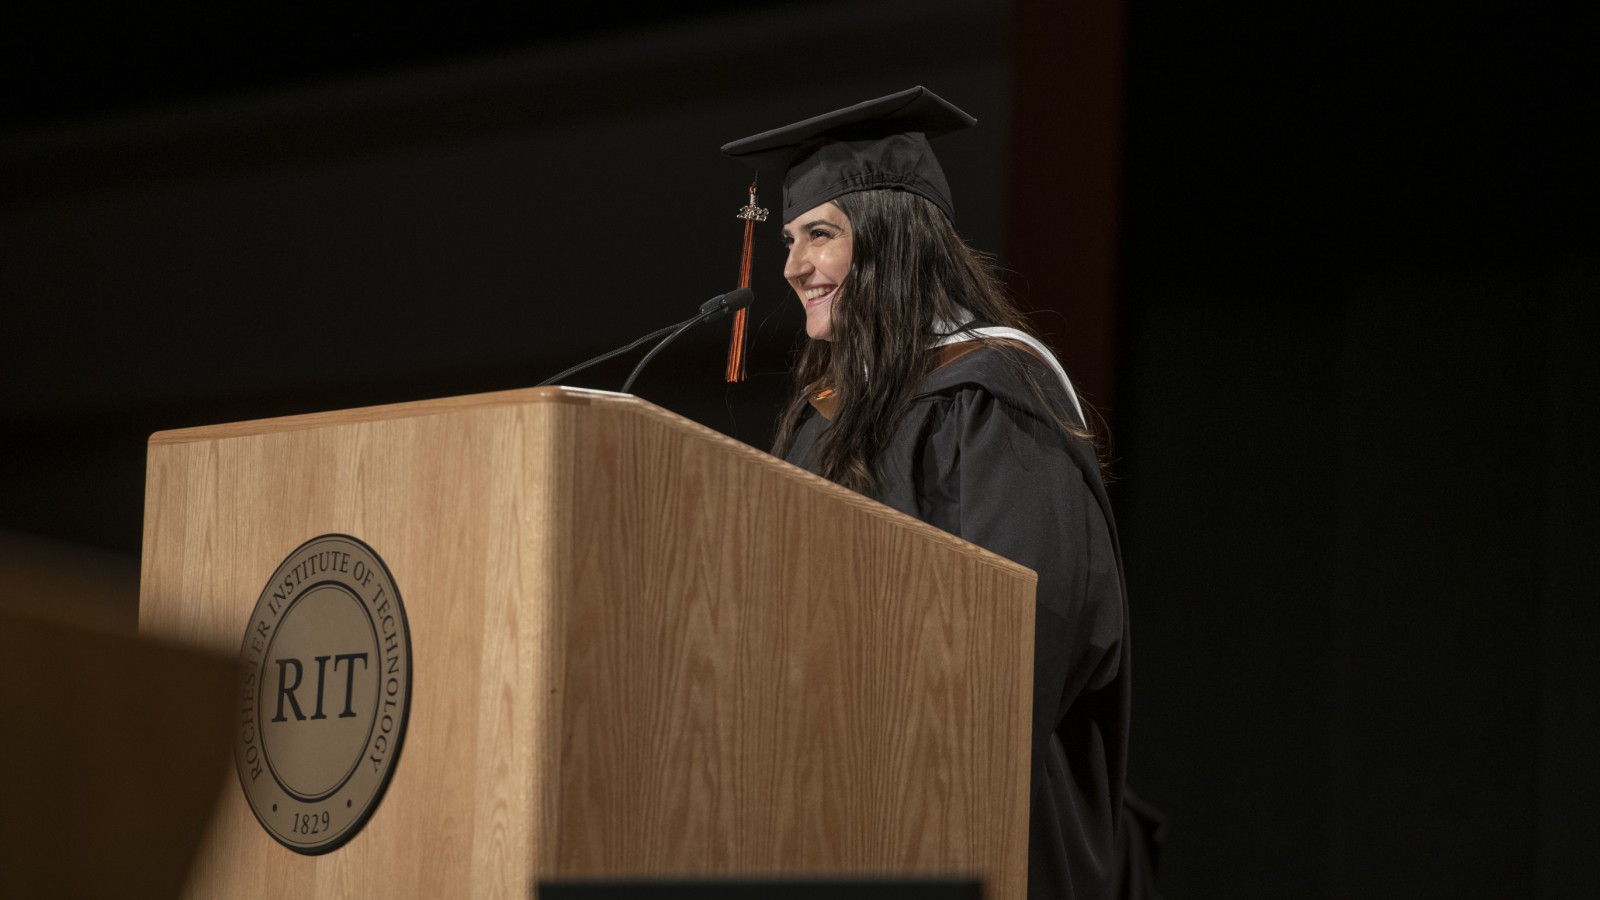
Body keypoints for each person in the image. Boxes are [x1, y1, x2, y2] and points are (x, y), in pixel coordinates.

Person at [724, 86, 1134, 900]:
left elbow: (1019, 644)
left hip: (966, 834)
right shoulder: (824, 422)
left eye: (820, 235)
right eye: (789, 239)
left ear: (891, 239)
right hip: (827, 824)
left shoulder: (993, 401)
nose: (793, 266)